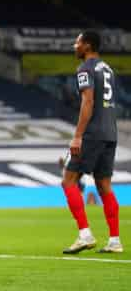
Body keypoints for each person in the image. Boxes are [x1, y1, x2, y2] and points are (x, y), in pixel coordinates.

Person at [61, 31, 123, 254]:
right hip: (110, 133)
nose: (74, 46)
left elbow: (88, 101)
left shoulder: (85, 69)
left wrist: (77, 135)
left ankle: (84, 234)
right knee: (104, 185)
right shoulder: (108, 69)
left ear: (87, 46)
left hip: (93, 133)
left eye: (77, 42)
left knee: (68, 181)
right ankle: (115, 240)